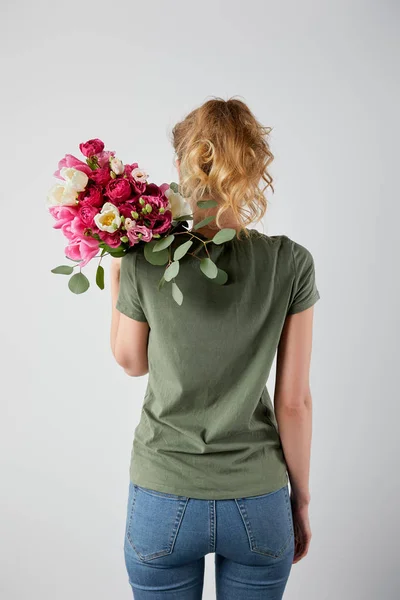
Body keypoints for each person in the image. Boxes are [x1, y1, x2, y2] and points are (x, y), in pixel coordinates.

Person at [110, 97, 320, 599]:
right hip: (258, 498)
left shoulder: (144, 259)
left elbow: (130, 362)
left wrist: (117, 269)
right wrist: (301, 500)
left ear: (182, 164)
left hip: (163, 492)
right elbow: (294, 402)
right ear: (253, 166)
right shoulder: (289, 262)